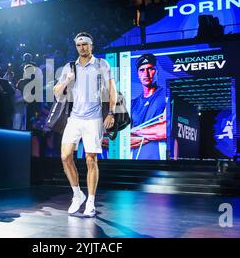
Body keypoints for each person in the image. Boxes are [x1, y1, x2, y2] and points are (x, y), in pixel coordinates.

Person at [53, 32, 117, 217]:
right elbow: (57, 93)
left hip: (94, 118)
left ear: (92, 45)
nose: (82, 47)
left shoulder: (101, 64)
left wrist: (111, 112)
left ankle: (90, 201)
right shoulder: (69, 67)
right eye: (79, 45)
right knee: (65, 156)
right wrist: (67, 79)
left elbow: (112, 89)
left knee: (91, 159)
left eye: (85, 44)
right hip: (74, 118)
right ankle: (77, 195)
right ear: (76, 47)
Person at [130, 54, 167, 160]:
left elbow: (164, 130)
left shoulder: (167, 95)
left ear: (157, 71)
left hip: (159, 160)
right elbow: (125, 139)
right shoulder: (133, 103)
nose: (146, 74)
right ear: (138, 74)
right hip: (134, 161)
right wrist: (151, 131)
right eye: (142, 70)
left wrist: (133, 131)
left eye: (150, 69)